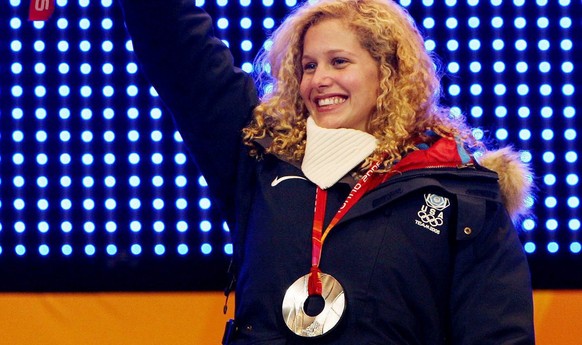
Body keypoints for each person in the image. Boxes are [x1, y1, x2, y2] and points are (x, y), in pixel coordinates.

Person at [119, 0, 535, 343]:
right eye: (309, 65)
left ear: (387, 72)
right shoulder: (260, 156)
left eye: (339, 62)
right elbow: (179, 50)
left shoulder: (459, 190)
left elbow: (499, 336)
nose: (320, 80)